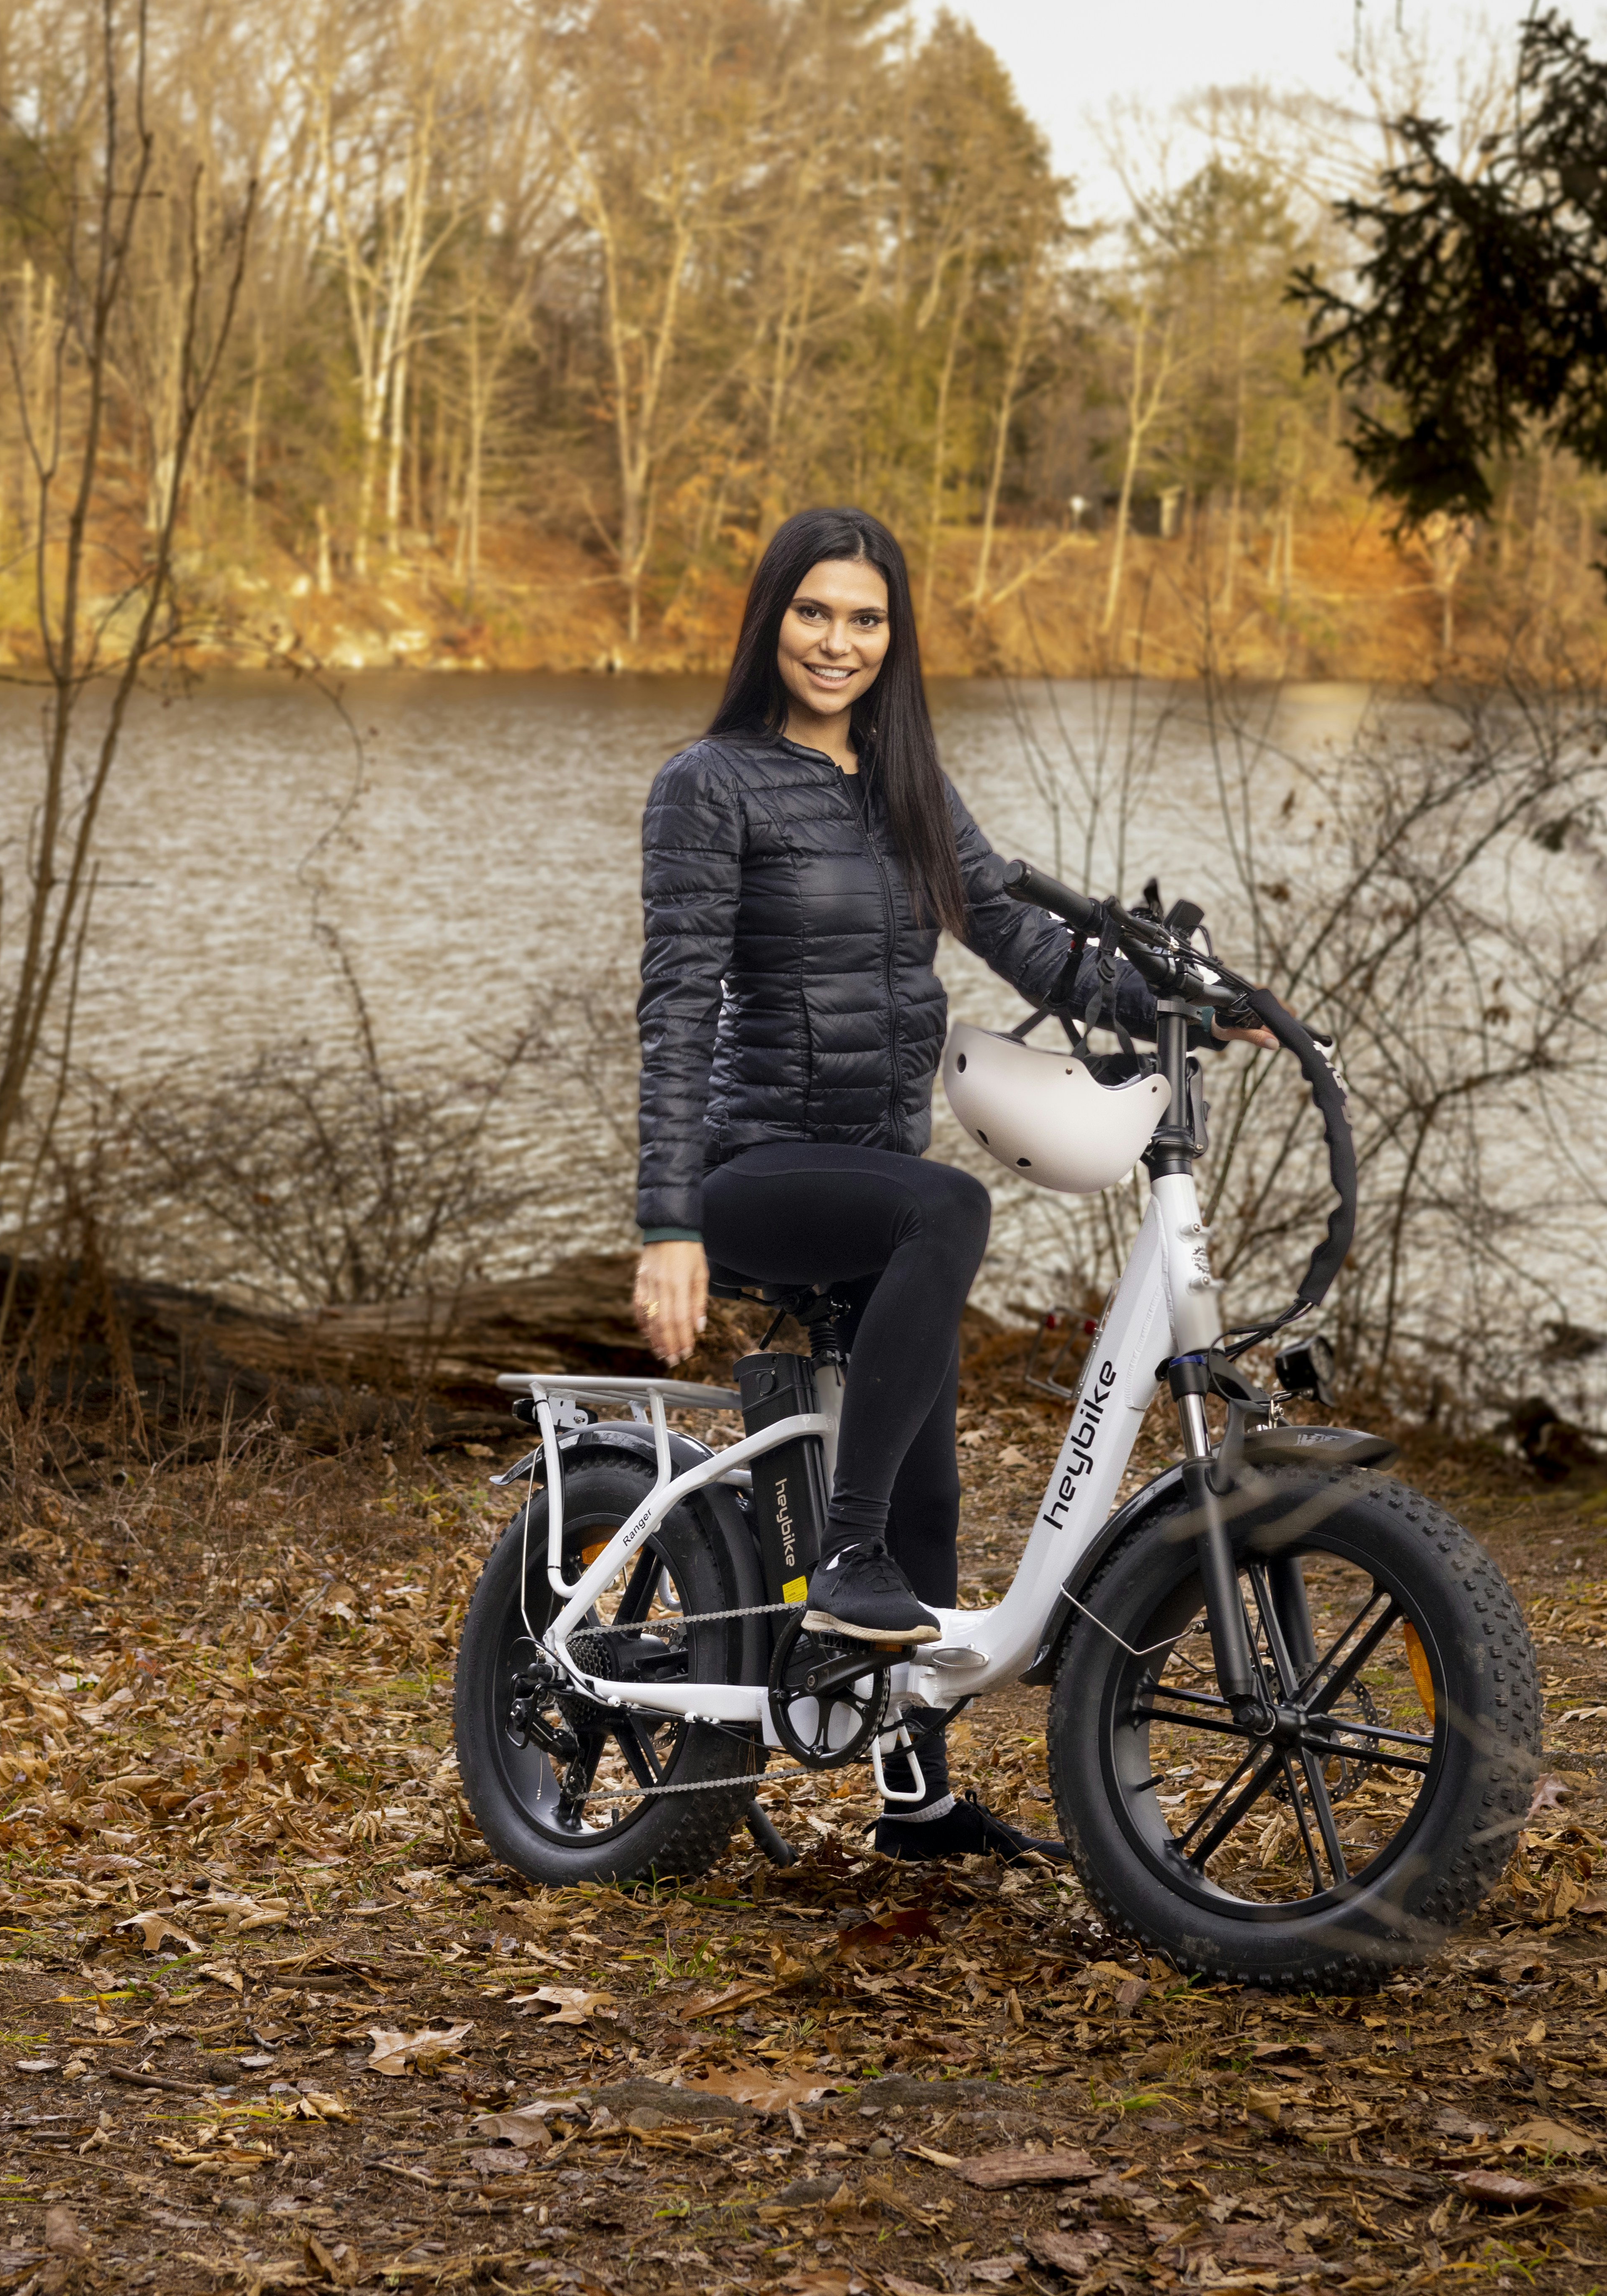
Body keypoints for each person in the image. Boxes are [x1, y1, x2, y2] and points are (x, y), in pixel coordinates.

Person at [629, 505, 1158, 1865]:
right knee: (951, 1207)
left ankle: (912, 1795)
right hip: (756, 1171)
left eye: (866, 619)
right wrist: (670, 1219)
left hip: (870, 1190)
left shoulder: (906, 785)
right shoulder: (713, 783)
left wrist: (1178, 1008)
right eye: (816, 613)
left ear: (893, 636)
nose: (840, 641)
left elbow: (1025, 943)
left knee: (930, 1492)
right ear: (772, 621)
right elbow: (678, 1005)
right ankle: (842, 1569)